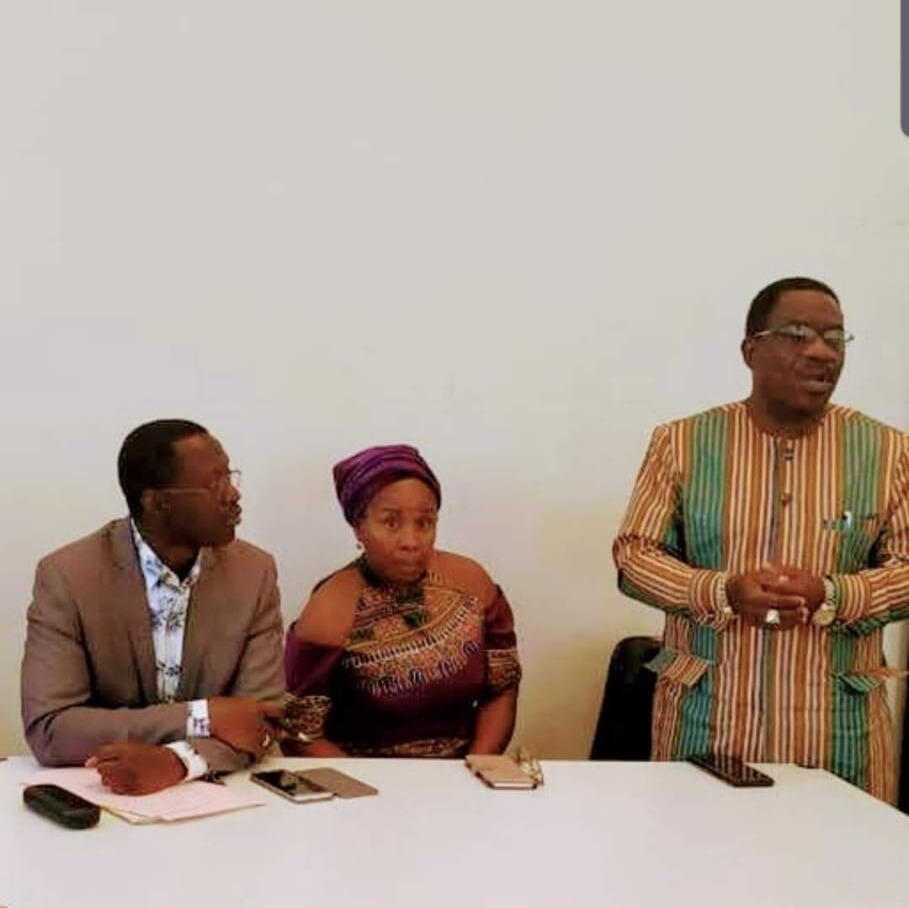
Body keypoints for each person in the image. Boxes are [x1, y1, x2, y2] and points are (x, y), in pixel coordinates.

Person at [613, 277, 909, 802]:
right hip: (707, 722)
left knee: (843, 855)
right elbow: (635, 557)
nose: (822, 352)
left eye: (835, 338)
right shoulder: (681, 444)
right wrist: (723, 591)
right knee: (694, 849)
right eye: (798, 334)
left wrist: (832, 594)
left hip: (839, 733)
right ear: (751, 350)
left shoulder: (888, 452)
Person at [21, 419, 285, 794]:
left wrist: (178, 762)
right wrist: (200, 716)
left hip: (222, 793)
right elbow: (51, 730)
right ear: (156, 501)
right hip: (100, 791)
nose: (233, 494)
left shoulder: (254, 572)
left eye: (229, 476)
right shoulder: (68, 577)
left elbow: (261, 719)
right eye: (214, 483)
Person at [283, 444, 521, 758]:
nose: (411, 541)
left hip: (463, 772)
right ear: (359, 526)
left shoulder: (472, 584)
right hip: (363, 777)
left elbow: (502, 688)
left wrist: (477, 765)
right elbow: (300, 733)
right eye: (391, 522)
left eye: (424, 523)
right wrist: (365, 786)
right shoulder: (330, 608)